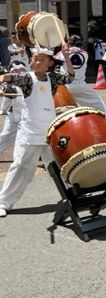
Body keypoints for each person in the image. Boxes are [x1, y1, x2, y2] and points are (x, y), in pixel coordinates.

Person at [0, 45, 75, 218]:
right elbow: (12, 78)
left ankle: (74, 194)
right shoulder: (27, 78)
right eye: (35, 59)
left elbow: (70, 77)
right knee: (20, 167)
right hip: (30, 132)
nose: (38, 62)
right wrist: (4, 77)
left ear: (49, 63)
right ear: (31, 61)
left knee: (60, 165)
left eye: (42, 59)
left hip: (49, 132)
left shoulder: (53, 78)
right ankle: (3, 202)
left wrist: (66, 56)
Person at [55, 35, 106, 117]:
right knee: (97, 103)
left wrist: (62, 49)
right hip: (81, 85)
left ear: (69, 43)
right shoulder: (85, 54)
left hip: (66, 86)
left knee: (62, 110)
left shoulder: (62, 54)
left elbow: (53, 61)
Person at [0, 61, 27, 162]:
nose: (18, 73)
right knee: (5, 135)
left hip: (31, 116)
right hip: (15, 115)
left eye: (21, 70)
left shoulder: (31, 80)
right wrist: (3, 110)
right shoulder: (10, 85)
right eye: (15, 71)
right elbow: (7, 99)